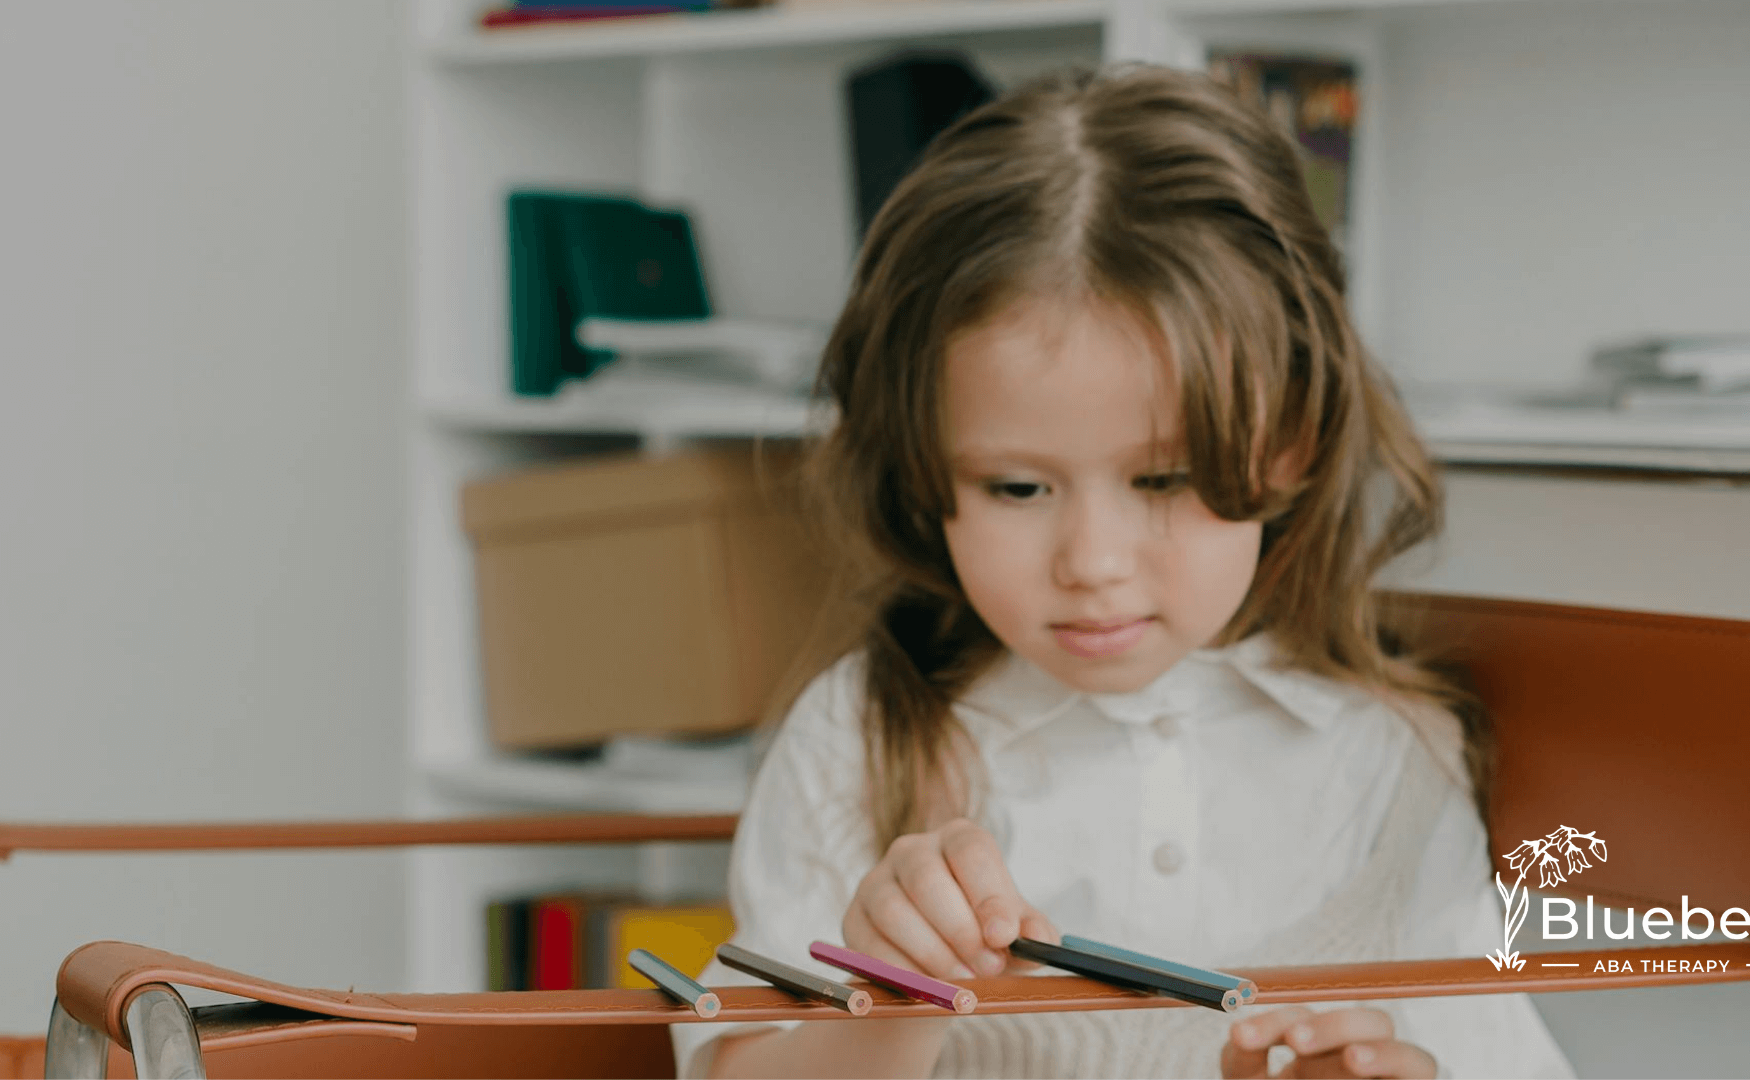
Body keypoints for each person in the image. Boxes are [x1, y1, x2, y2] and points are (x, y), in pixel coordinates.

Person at [671, 63, 1574, 1079]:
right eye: (1018, 489)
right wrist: (885, 1006)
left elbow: (1490, 1055)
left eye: (1164, 478)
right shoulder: (860, 735)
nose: (1092, 565)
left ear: (1292, 446)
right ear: (924, 472)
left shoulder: (1391, 755)